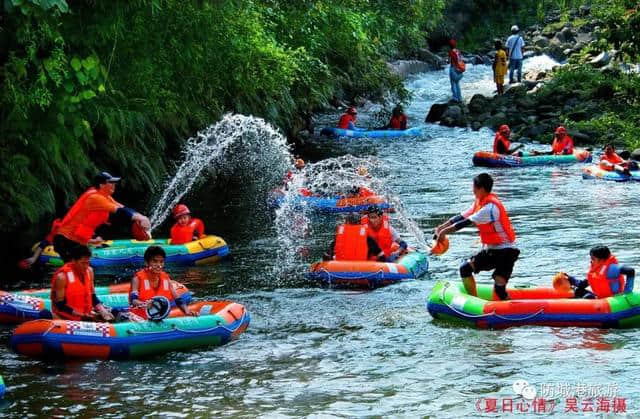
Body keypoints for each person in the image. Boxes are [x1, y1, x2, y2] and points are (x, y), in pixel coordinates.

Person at [434, 173, 519, 300]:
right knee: (465, 269)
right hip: (491, 250)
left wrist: (443, 233)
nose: (472, 190)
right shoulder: (480, 202)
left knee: (499, 290)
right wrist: (441, 226)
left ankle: (513, 314)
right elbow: (461, 217)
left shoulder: (490, 208)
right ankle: (474, 300)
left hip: (505, 252)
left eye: (474, 188)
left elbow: (465, 223)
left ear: (482, 189)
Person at [51, 172, 151, 262]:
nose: (114, 185)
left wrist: (142, 217)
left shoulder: (105, 196)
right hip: (66, 240)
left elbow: (123, 207)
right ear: (101, 185)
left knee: (84, 269)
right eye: (110, 182)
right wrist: (141, 219)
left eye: (114, 182)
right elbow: (120, 211)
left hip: (75, 240)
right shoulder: (95, 198)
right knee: (78, 269)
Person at [50, 245, 115, 321]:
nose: (86, 266)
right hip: (67, 318)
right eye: (83, 263)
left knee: (114, 314)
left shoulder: (89, 271)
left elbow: (92, 296)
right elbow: (60, 305)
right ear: (74, 261)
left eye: (88, 263)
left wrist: (103, 310)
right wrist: (82, 316)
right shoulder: (62, 277)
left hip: (85, 314)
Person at [129, 246, 196, 317]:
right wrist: (144, 304)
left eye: (161, 262)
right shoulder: (137, 279)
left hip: (158, 318)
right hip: (138, 318)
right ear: (146, 263)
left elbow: (178, 300)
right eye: (155, 261)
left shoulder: (166, 279)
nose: (159, 265)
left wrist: (187, 311)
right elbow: (133, 301)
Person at [558, 246, 635, 299]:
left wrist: (627, 291)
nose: (591, 260)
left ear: (601, 260)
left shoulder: (612, 268)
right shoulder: (595, 270)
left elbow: (631, 271)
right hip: (601, 298)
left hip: (614, 299)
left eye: (593, 258)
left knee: (588, 297)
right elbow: (582, 284)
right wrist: (570, 278)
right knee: (578, 291)